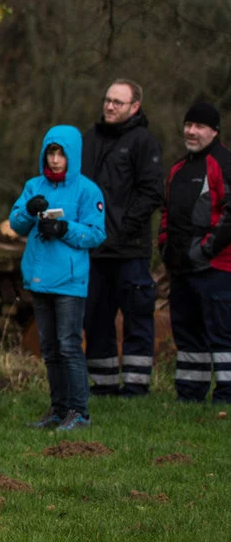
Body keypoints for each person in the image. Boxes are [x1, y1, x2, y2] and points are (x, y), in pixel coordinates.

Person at [9, 123, 107, 431]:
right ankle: (58, 408)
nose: (54, 160)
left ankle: (79, 411)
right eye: (50, 152)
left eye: (61, 154)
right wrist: (28, 209)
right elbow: (17, 224)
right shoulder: (33, 186)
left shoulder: (88, 190)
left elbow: (96, 233)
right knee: (50, 349)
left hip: (69, 282)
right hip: (40, 278)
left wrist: (65, 229)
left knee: (68, 345)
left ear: (72, 156)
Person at [82, 79, 165, 397]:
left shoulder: (143, 141)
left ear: (134, 107)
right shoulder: (90, 140)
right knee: (96, 317)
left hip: (130, 250)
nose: (110, 106)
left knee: (137, 316)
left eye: (118, 102)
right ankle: (102, 385)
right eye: (107, 100)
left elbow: (151, 194)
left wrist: (120, 231)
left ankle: (135, 386)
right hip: (94, 250)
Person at [158, 101, 231, 404]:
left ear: (214, 131)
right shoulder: (178, 168)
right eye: (188, 125)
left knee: (222, 335)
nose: (191, 131)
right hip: (181, 268)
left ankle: (226, 395)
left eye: (199, 126)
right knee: (187, 336)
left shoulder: (223, 163)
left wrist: (206, 250)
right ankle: (189, 396)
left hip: (216, 268)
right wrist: (164, 244)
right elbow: (166, 212)